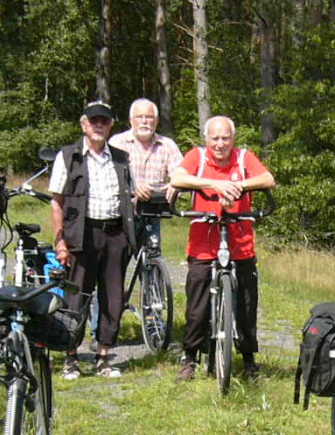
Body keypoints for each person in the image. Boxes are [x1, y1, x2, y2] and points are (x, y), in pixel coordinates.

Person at [169, 116, 276, 381]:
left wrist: (239, 185)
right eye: (215, 138)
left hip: (240, 242)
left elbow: (268, 179)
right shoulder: (197, 156)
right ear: (207, 140)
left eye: (225, 138)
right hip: (203, 242)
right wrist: (213, 184)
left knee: (247, 304)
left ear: (233, 139)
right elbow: (178, 177)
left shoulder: (243, 158)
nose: (220, 144)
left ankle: (249, 358)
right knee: (197, 304)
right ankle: (190, 356)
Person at [48, 100, 136, 380]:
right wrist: (61, 240)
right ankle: (71, 357)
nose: (99, 125)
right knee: (76, 297)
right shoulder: (68, 156)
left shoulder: (122, 158)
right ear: (83, 124)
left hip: (115, 234)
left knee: (113, 299)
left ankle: (104, 356)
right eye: (93, 120)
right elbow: (56, 202)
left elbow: (130, 194)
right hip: (80, 235)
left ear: (111, 125)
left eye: (104, 121)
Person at [110, 98, 184, 246]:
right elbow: (109, 179)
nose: (144, 121)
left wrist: (176, 185)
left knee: (152, 260)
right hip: (121, 215)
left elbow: (181, 173)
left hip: (153, 212)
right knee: (118, 264)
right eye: (139, 117)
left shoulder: (167, 145)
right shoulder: (117, 143)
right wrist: (133, 188)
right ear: (131, 120)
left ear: (156, 121)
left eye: (149, 117)